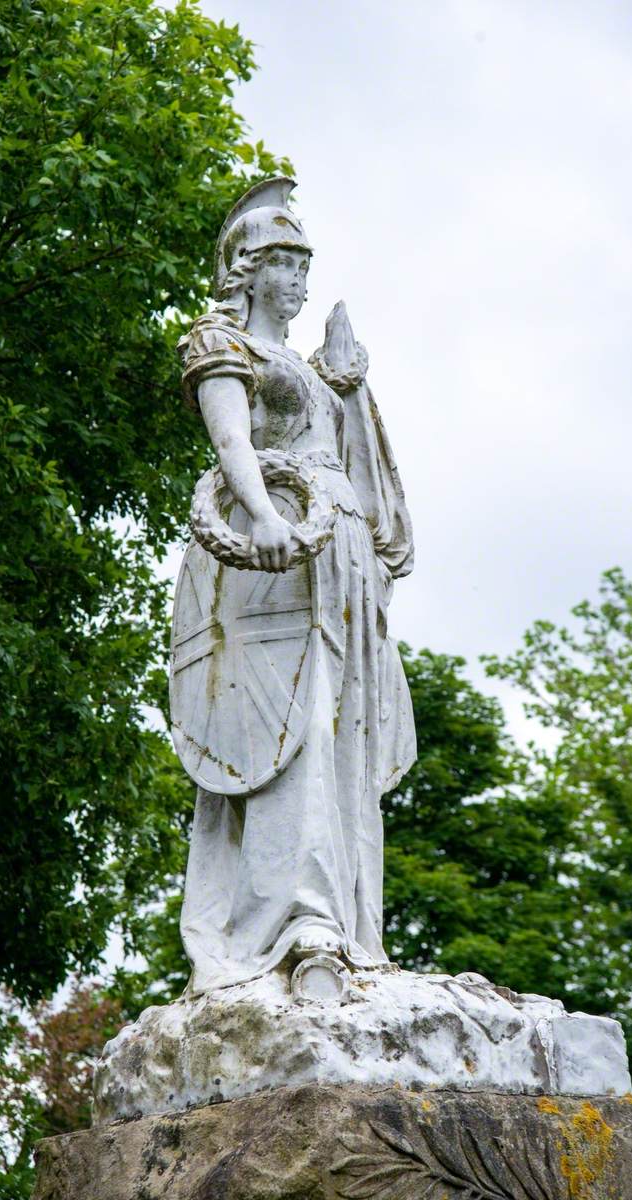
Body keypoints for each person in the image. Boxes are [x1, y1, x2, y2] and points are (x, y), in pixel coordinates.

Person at [173, 178, 416, 995]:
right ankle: (295, 922)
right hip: (267, 556)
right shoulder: (221, 342)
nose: (300, 279)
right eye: (284, 262)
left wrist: (348, 388)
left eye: (304, 263)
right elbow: (231, 435)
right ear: (248, 267)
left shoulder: (312, 370)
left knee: (340, 734)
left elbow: (345, 456)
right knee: (293, 727)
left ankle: (346, 926)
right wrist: (259, 513)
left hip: (338, 556)